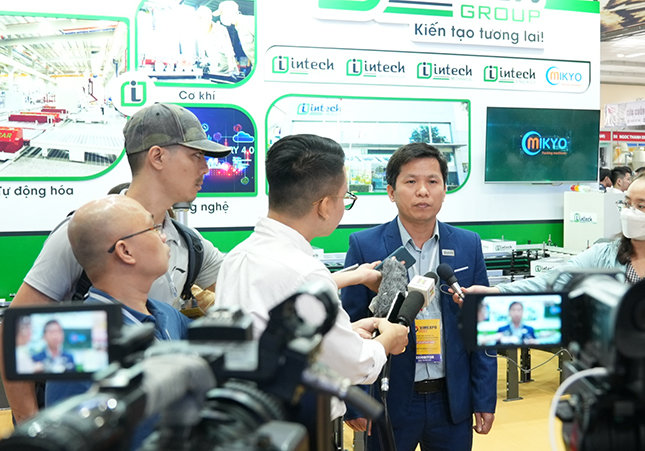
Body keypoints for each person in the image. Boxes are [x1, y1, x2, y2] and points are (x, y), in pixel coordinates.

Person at [1, 103, 229, 423]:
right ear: (157, 157)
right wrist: (31, 425)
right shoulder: (86, 231)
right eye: (196, 155)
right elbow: (16, 335)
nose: (205, 168)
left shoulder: (189, 243)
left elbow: (237, 286)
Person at [214, 134, 409, 421]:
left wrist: (345, 331)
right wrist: (388, 339)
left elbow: (267, 340)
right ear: (325, 205)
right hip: (297, 425)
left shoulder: (238, 256)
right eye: (346, 198)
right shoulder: (307, 273)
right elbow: (354, 364)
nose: (344, 207)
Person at [340, 143, 497, 451]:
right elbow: (351, 325)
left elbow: (483, 328)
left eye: (432, 181)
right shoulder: (365, 245)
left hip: (452, 401)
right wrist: (356, 399)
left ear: (445, 190)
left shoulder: (468, 244)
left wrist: (484, 397)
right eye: (411, 181)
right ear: (391, 191)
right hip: (388, 397)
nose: (423, 191)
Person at [45, 195, 192, 448]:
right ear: (125, 251)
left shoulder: (168, 315)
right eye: (153, 228)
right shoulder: (79, 341)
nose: (164, 237)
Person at [462, 170, 645, 297]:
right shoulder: (604, 255)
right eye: (627, 204)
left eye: (642, 206)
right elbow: (551, 281)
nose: (630, 212)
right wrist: (495, 292)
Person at [213, 1, 255, 70]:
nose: (221, 17)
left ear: (230, 11)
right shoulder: (239, 27)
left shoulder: (248, 21)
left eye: (222, 13)